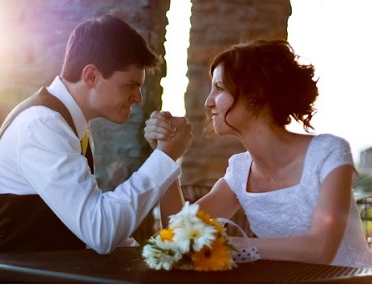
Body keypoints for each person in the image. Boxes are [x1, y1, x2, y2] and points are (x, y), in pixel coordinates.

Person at [0, 14, 192, 254]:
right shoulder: (41, 125)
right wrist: (164, 157)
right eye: (130, 85)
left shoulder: (70, 123)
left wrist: (142, 257)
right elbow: (101, 231)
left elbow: (88, 218)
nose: (138, 98)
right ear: (91, 76)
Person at [144, 39, 372, 268]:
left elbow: (320, 249)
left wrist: (223, 244)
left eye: (219, 88)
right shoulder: (240, 171)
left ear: (257, 94)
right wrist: (166, 156)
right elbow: (177, 233)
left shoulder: (328, 153)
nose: (208, 102)